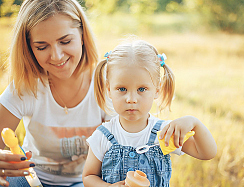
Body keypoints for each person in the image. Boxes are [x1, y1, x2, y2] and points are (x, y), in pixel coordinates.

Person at [0, 0, 112, 186]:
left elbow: (123, 148)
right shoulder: (26, 86)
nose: (57, 56)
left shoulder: (106, 83)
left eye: (65, 41)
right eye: (42, 47)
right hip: (30, 176)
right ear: (29, 48)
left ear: (82, 35)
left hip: (87, 180)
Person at [82, 39, 217, 187]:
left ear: (157, 90)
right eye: (122, 89)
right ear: (109, 89)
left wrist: (194, 123)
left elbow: (207, 153)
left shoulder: (165, 133)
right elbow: (89, 176)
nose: (131, 99)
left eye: (141, 89)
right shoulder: (103, 135)